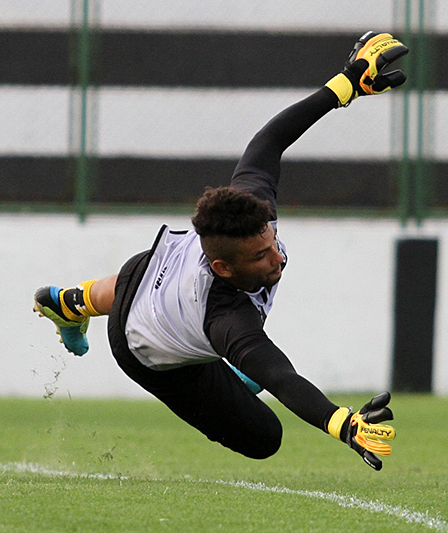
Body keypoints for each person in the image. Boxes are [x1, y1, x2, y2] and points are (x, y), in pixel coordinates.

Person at [32, 31, 407, 471]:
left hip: (150, 267)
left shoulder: (248, 212)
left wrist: (347, 83)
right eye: (260, 257)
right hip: (144, 349)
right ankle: (80, 306)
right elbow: (280, 376)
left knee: (143, 283)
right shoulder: (226, 318)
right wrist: (345, 424)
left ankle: (70, 303)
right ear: (223, 267)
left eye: (271, 241)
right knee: (265, 436)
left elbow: (267, 143)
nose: (277, 258)